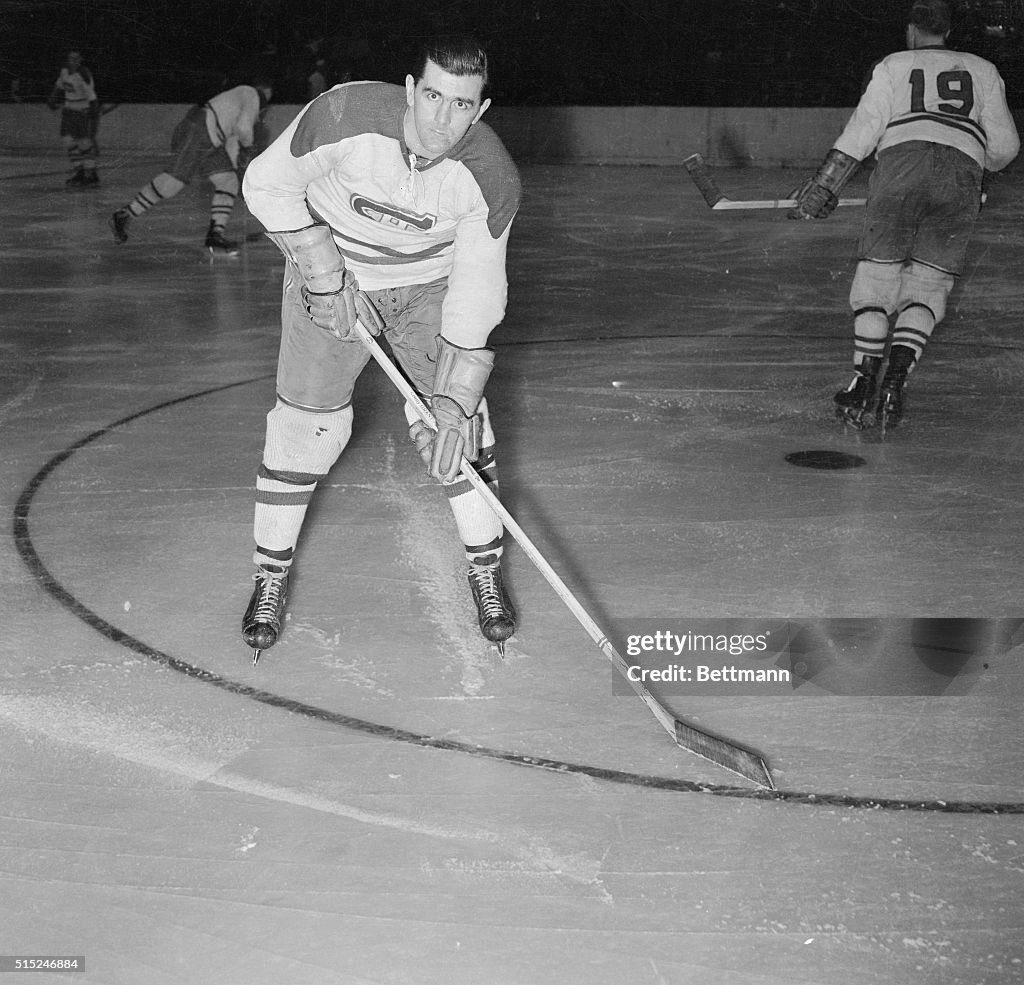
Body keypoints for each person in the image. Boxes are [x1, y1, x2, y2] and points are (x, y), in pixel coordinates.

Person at [239, 36, 521, 661]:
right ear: (409, 87)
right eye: (432, 97)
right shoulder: (344, 116)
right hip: (333, 276)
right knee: (302, 431)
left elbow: (477, 291)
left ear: (481, 108)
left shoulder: (490, 178)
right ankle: (269, 574)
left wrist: (453, 397)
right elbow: (265, 185)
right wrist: (321, 268)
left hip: (428, 290)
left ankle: (485, 571)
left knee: (460, 432)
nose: (441, 121)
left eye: (461, 105)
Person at [791, 0, 1019, 432]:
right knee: (928, 286)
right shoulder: (983, 69)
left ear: (912, 28)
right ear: (948, 31)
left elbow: (863, 129)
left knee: (877, 282)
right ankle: (895, 383)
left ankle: (862, 383)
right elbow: (1005, 148)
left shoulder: (894, 64)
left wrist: (824, 185)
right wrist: (974, 174)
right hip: (961, 176)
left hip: (901, 167)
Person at [108, 79, 274, 254]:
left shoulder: (239, 98)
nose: (267, 97)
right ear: (262, 88)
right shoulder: (251, 93)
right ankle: (125, 214)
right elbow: (244, 129)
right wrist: (247, 149)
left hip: (209, 137)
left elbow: (234, 137)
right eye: (267, 93)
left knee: (228, 180)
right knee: (173, 181)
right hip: (200, 131)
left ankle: (215, 234)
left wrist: (238, 167)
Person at [48, 50, 100, 188]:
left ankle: (91, 173)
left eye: (76, 58)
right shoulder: (65, 71)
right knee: (67, 140)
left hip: (81, 110)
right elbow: (58, 85)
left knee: (83, 143)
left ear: (80, 59)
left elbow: (91, 94)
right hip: (68, 110)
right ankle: (79, 172)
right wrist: (53, 97)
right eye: (70, 57)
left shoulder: (83, 73)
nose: (73, 60)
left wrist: (94, 108)